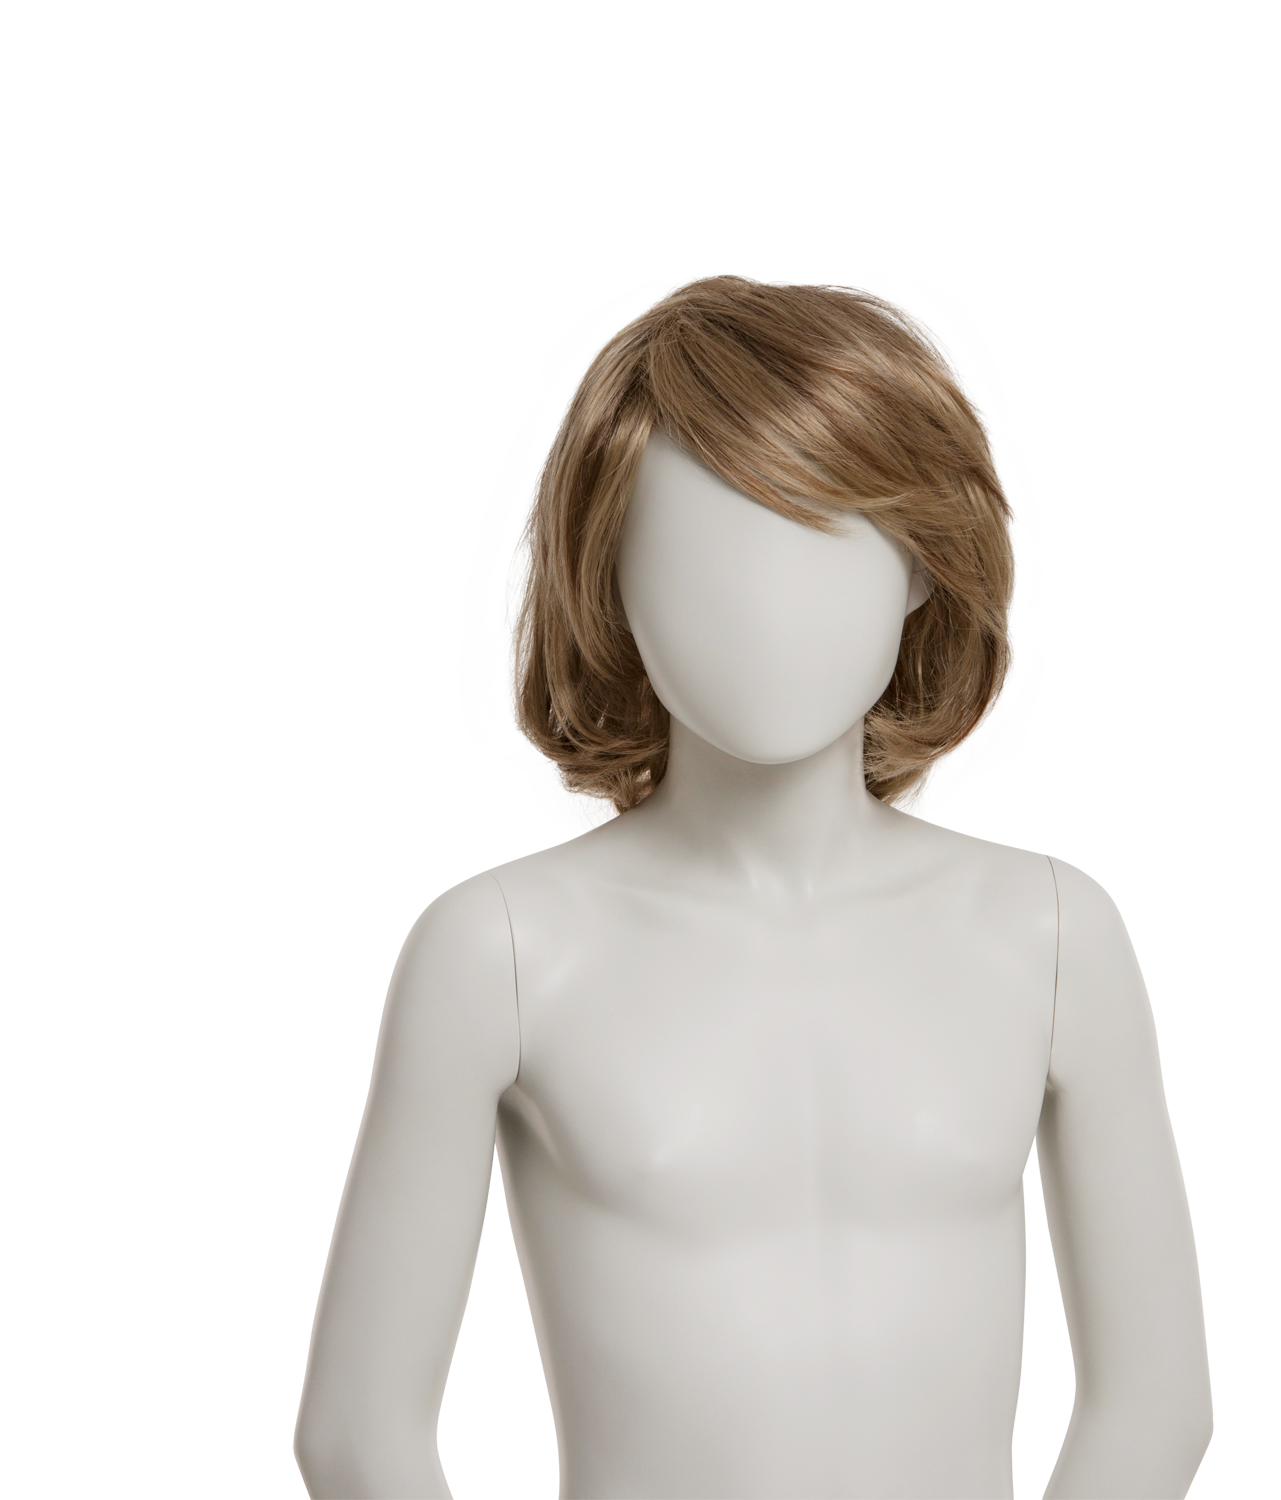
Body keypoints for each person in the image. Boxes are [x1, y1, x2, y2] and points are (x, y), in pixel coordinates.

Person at [295, 276, 1211, 1500]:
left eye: (822, 537)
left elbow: (1155, 1404)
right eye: (700, 559)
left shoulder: (1045, 935)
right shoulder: (505, 952)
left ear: (923, 566)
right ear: (610, 583)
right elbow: (357, 1438)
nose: (766, 615)